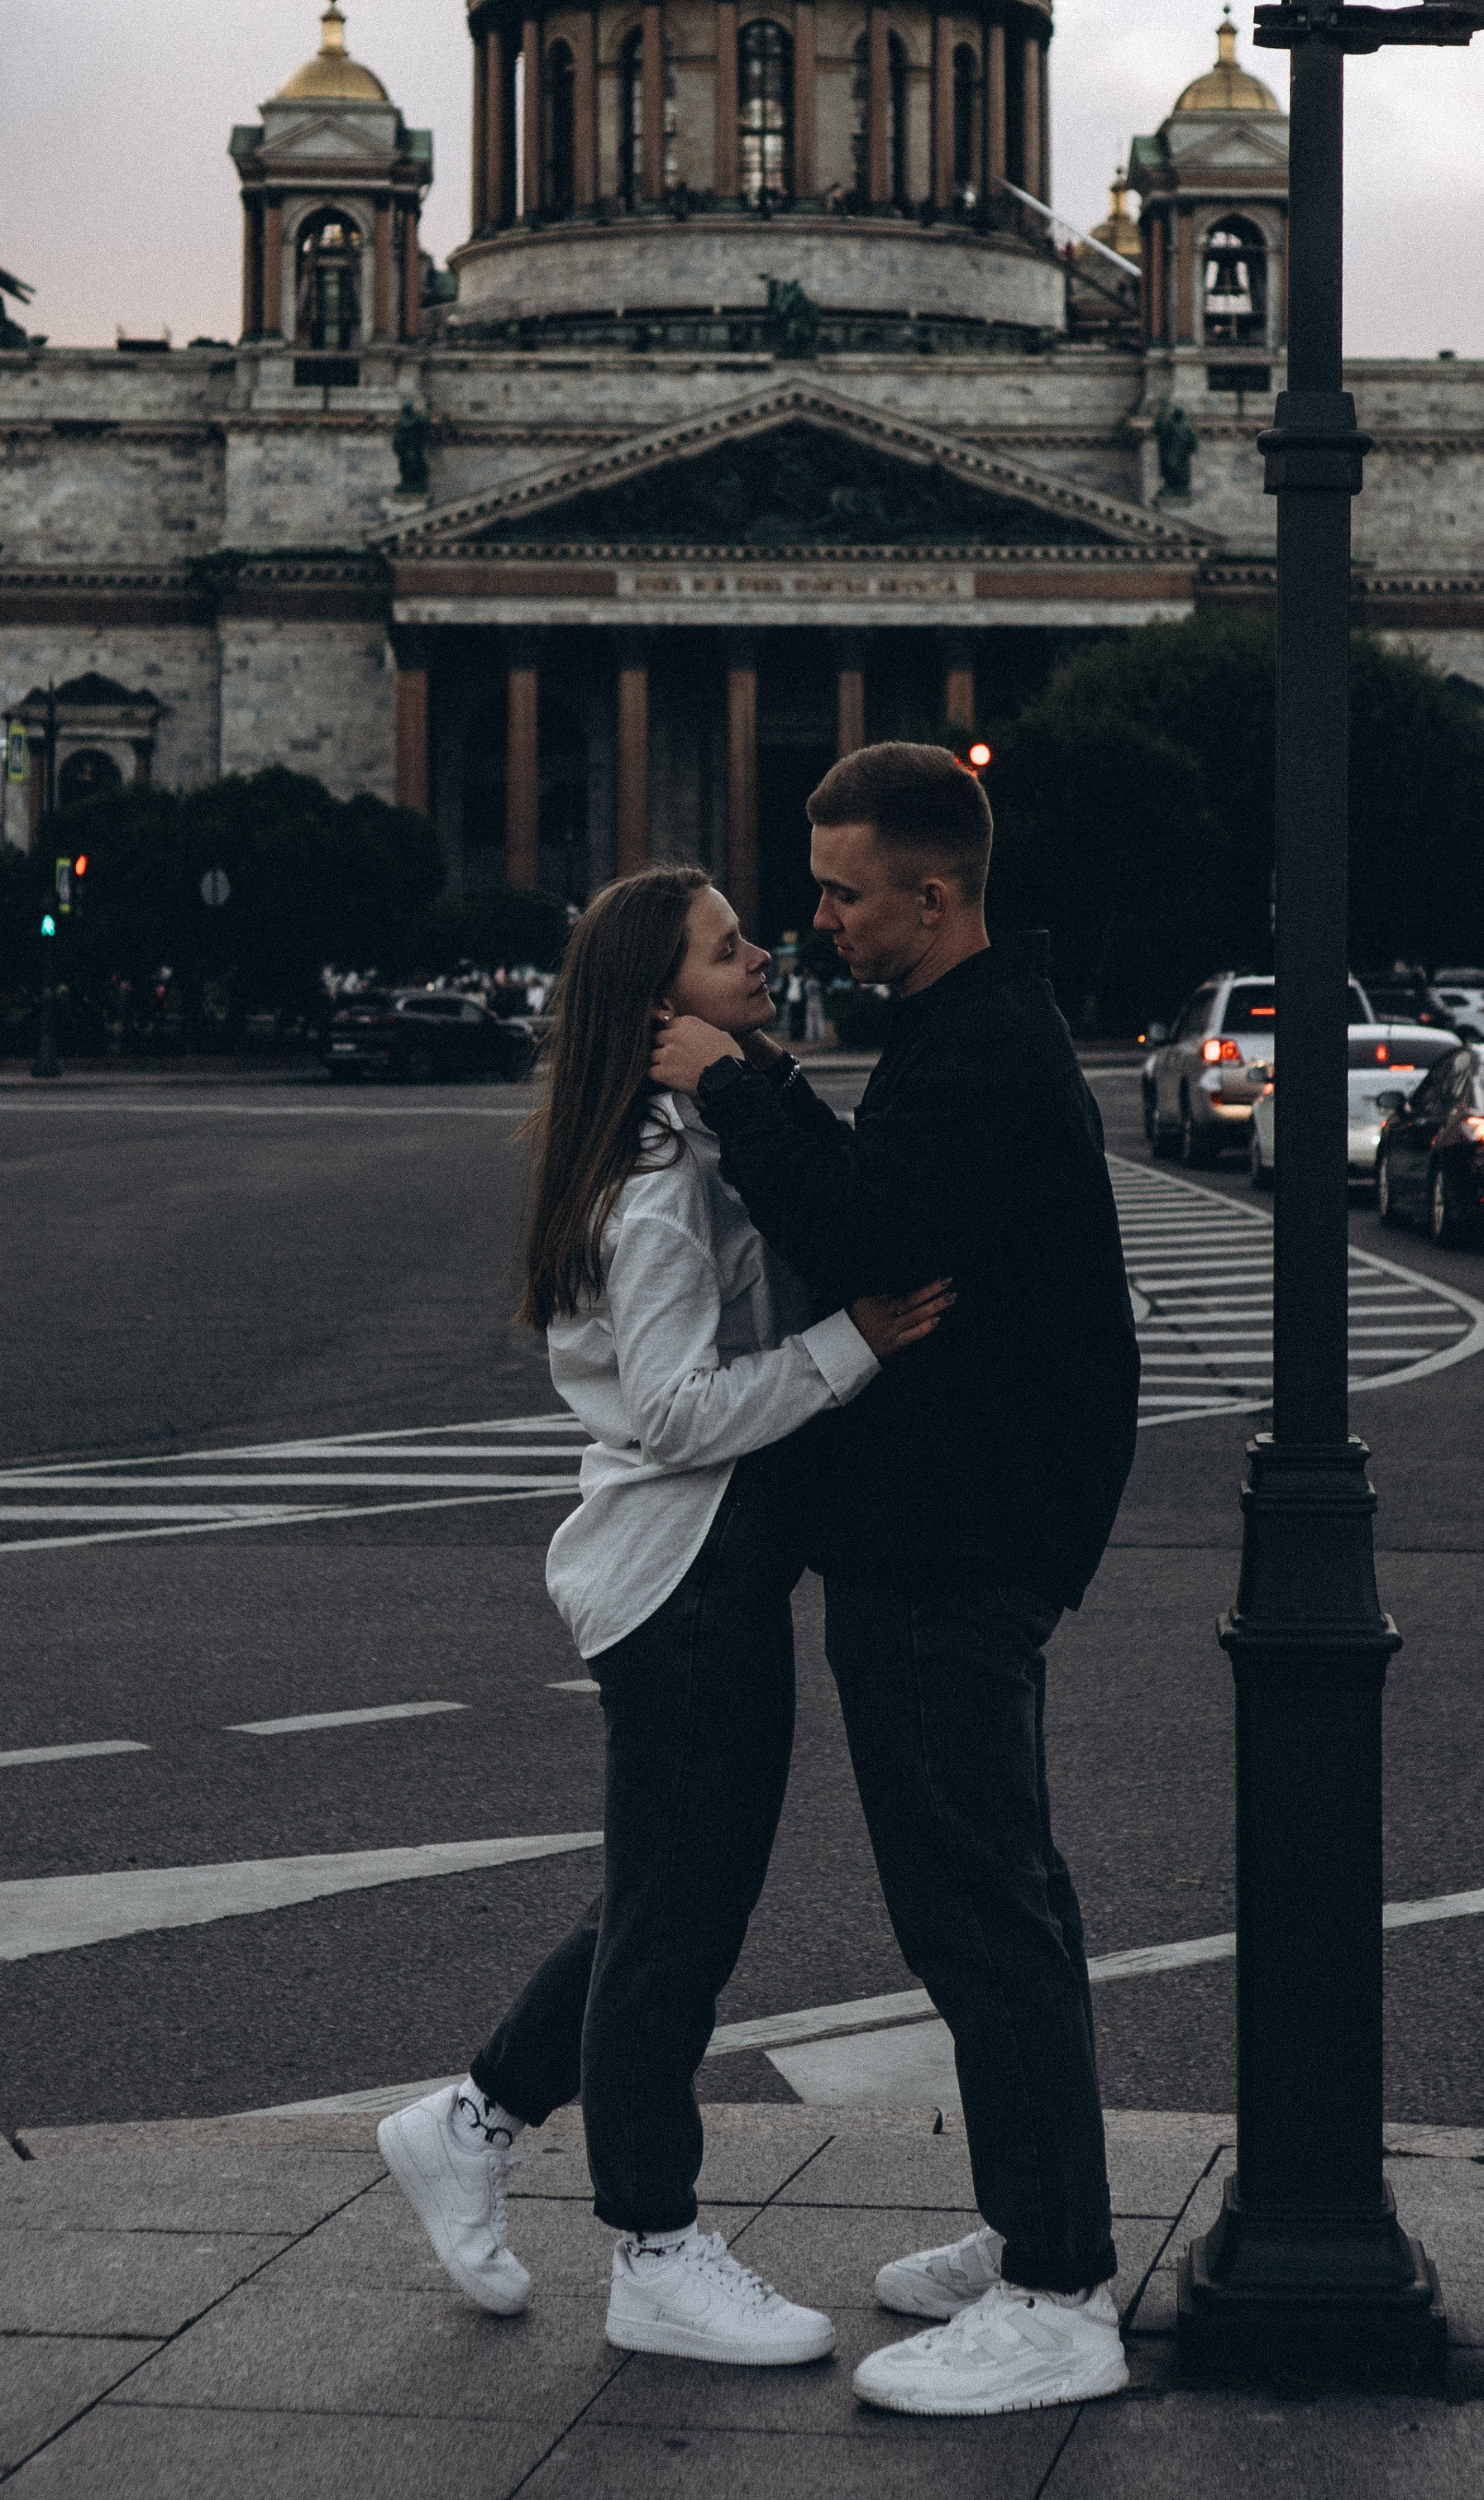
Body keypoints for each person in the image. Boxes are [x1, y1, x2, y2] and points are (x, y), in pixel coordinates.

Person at [379, 863, 948, 2367]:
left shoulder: (684, 1137)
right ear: (657, 1004)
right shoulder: (660, 1187)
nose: (760, 953)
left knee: (664, 1900)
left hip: (698, 1570)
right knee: (677, 1930)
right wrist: (853, 1346)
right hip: (684, 1575)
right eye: (723, 948)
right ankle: (653, 2244)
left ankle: (474, 2119)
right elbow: (682, 1411)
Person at [651, 743, 1140, 2419]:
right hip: (961, 1526)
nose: (821, 920)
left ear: (931, 897)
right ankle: (1032, 2227)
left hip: (952, 1542)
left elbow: (869, 1233)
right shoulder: (971, 1024)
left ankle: (1058, 2296)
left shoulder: (983, 1049)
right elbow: (891, 1199)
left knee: (978, 1918)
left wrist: (734, 1085)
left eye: (844, 894)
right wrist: (778, 1089)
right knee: (1001, 1905)